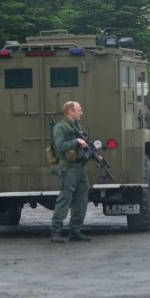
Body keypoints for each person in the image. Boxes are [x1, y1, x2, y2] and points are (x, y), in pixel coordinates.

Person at [50, 101, 91, 243]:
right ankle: (55, 231)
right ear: (70, 111)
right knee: (65, 199)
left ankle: (75, 231)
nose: (81, 112)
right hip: (68, 169)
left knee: (81, 200)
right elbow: (60, 146)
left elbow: (84, 146)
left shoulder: (77, 127)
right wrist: (76, 142)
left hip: (80, 168)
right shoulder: (60, 128)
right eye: (79, 109)